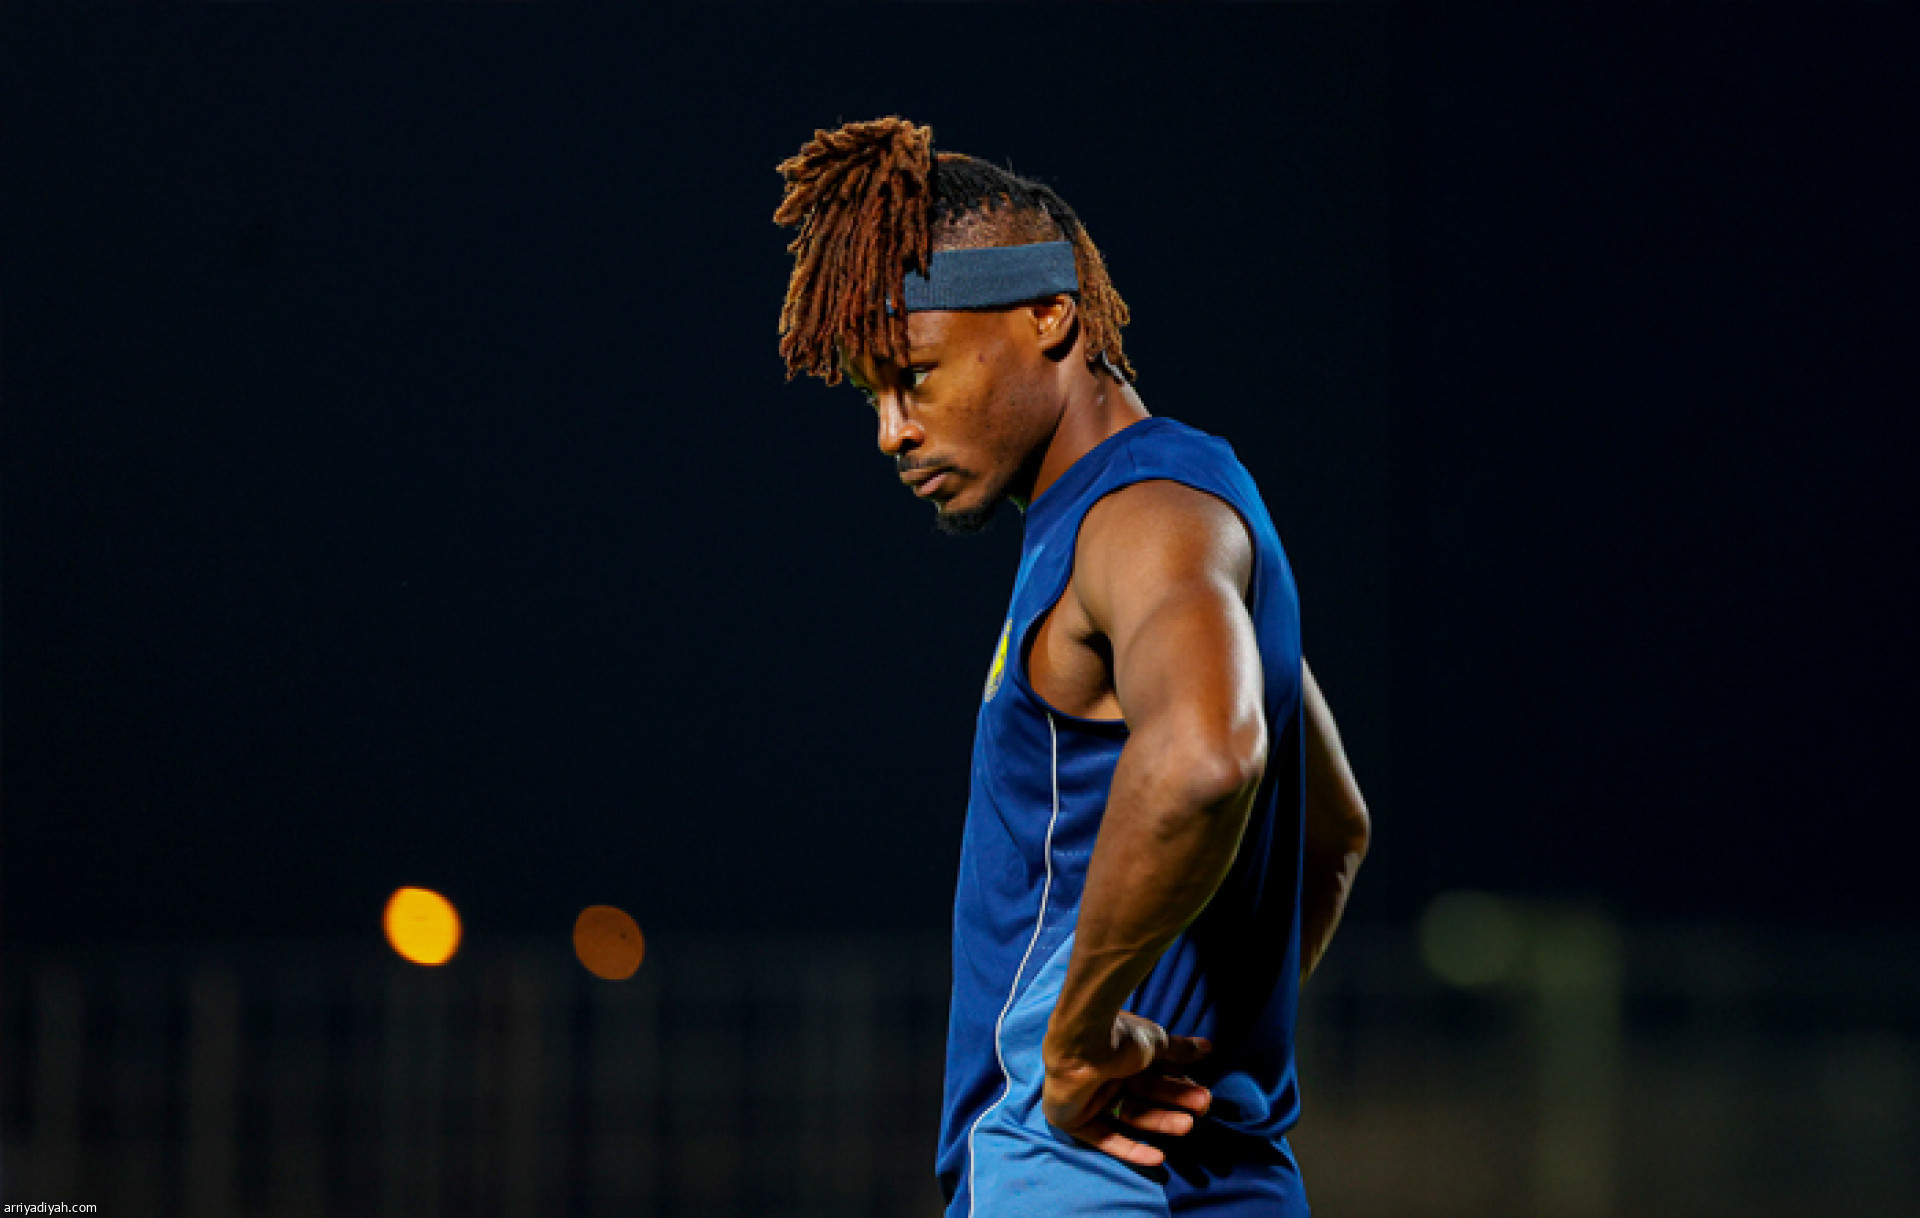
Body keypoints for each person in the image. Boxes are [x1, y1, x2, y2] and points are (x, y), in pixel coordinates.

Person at [774, 117, 1371, 1217]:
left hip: (1067, 1165)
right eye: (873, 396)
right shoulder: (1198, 508)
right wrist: (1206, 1048)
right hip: (1231, 1172)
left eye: (916, 376)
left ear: (1050, 314)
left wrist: (1082, 1038)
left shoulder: (1136, 520)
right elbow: (1333, 831)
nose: (891, 431)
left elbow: (1205, 758)